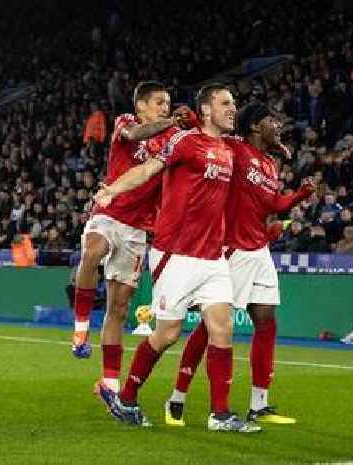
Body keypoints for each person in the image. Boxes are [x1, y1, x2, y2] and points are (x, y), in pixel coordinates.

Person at [93, 83, 259, 432]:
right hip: (176, 254)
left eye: (235, 102)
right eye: (226, 103)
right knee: (167, 334)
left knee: (222, 328)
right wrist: (113, 190)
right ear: (207, 110)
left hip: (212, 257)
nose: (233, 108)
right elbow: (149, 168)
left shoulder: (228, 149)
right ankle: (126, 397)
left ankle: (220, 413)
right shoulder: (185, 141)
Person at [164, 102, 314, 427]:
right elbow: (208, 132)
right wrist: (191, 116)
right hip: (233, 249)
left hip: (259, 249)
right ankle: (177, 396)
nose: (278, 125)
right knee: (211, 327)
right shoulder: (234, 148)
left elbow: (273, 204)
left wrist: (300, 195)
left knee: (267, 320)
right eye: (272, 120)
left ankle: (259, 404)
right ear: (257, 126)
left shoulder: (271, 165)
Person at [71, 82, 186, 397]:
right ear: (142, 106)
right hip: (109, 211)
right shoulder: (125, 122)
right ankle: (80, 328)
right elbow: (135, 137)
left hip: (137, 230)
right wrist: (174, 122)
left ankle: (109, 381)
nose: (166, 107)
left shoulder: (172, 140)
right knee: (93, 250)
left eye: (168, 103)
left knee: (119, 309)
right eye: (160, 102)